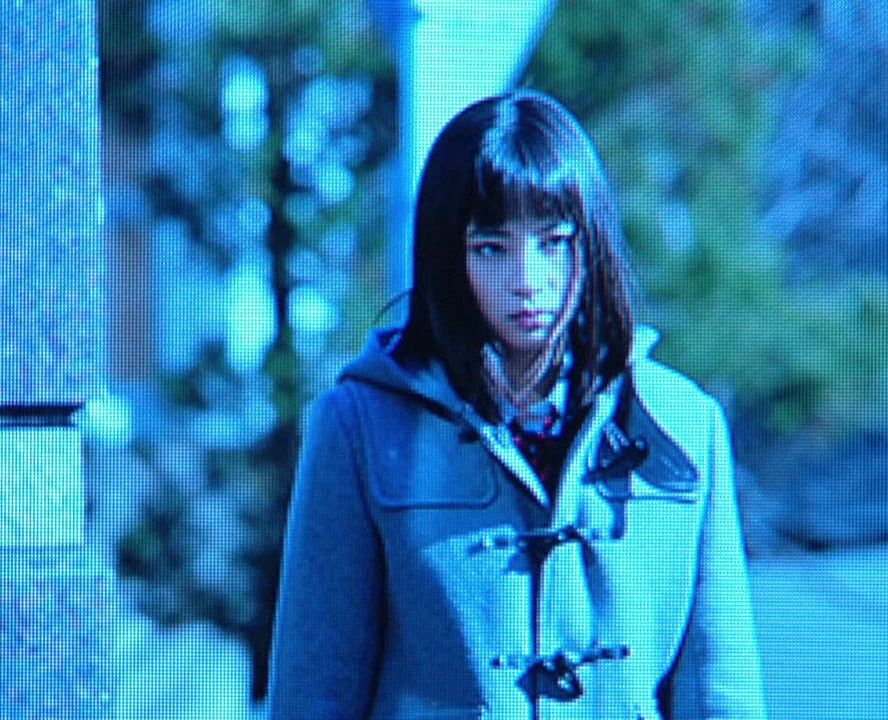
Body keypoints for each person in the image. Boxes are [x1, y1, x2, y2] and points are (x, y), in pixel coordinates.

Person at [268, 89, 766, 720]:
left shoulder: (684, 427)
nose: (526, 281)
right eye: (491, 248)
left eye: (553, 242)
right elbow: (313, 694)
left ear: (591, 247)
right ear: (447, 256)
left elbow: (723, 691)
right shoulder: (360, 427)